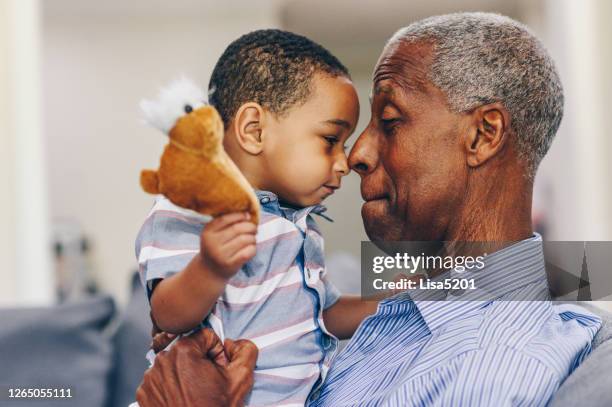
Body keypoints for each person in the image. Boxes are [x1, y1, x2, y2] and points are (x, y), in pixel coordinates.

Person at [137, 12, 602, 406]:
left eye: (390, 121)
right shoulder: (417, 305)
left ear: (482, 136)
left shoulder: (489, 361)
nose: (355, 156)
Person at [135, 29, 377, 406]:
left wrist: (395, 301)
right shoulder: (193, 207)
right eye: (331, 141)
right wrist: (210, 268)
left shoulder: (297, 225)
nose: (344, 163)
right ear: (254, 129)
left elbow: (323, 315)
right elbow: (167, 314)